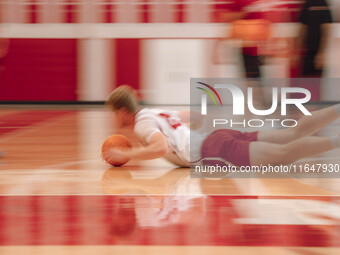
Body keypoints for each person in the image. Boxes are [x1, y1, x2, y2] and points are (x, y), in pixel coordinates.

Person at [104, 85, 340, 168]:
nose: (115, 119)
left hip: (213, 151)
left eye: (114, 114)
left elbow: (160, 148)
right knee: (292, 134)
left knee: (284, 154)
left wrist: (127, 153)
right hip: (216, 137)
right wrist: (186, 133)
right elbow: (195, 116)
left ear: (123, 112)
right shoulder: (155, 112)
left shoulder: (141, 125)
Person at [293, 0, 333, 100]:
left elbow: (326, 29)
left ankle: (314, 107)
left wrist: (321, 53)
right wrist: (297, 51)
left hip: (317, 52)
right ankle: (305, 107)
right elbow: (302, 29)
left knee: (316, 83)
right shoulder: (307, 3)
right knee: (305, 83)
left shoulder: (323, 3)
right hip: (306, 52)